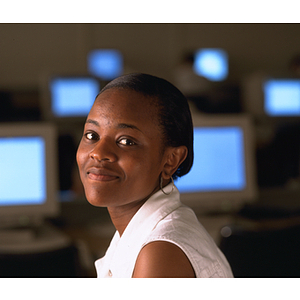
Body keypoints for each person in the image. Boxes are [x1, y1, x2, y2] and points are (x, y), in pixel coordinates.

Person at [76, 73, 233, 278]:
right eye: (91, 135)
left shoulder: (160, 251)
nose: (98, 152)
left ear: (171, 160)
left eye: (126, 141)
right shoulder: (141, 234)